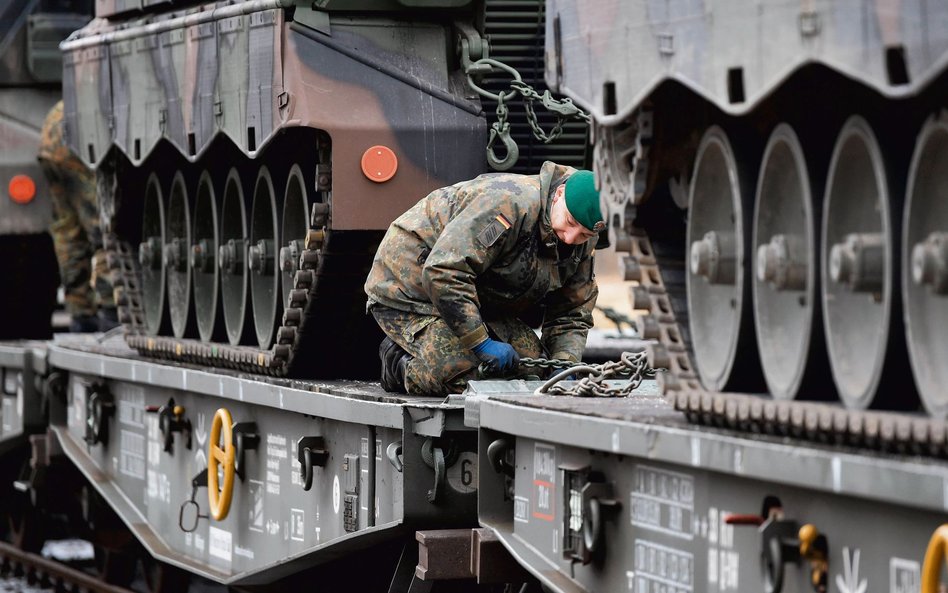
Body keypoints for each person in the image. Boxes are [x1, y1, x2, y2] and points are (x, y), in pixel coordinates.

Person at [364, 161, 604, 395]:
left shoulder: (583, 238)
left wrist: (564, 365)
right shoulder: (509, 205)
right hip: (410, 289)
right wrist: (480, 342)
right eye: (570, 222)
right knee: (464, 374)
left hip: (476, 296)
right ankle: (399, 364)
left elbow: (572, 312)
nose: (571, 238)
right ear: (558, 194)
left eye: (584, 234)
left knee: (533, 370)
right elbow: (444, 271)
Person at [38, 100, 118, 332]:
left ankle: (80, 312)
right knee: (104, 229)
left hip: (51, 136)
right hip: (75, 141)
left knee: (68, 231)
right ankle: (111, 306)